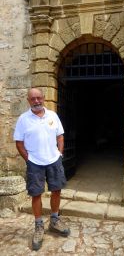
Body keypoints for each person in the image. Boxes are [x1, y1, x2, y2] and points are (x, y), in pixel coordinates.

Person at [13, 87, 70, 251]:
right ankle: (39, 226)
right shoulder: (23, 119)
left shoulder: (53, 116)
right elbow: (19, 143)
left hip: (54, 160)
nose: (36, 101)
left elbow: (60, 136)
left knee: (57, 190)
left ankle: (54, 220)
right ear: (28, 101)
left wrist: (59, 154)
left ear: (43, 98)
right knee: (36, 193)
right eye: (33, 99)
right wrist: (29, 159)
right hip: (35, 163)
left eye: (39, 98)